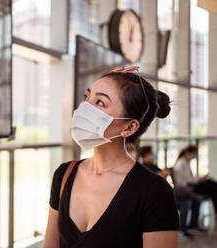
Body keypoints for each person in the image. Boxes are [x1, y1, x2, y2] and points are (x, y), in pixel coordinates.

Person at [43, 66, 179, 248]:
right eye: (87, 97)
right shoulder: (64, 174)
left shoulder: (155, 192)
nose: (85, 107)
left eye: (100, 102)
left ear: (129, 127)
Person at [173, 145, 217, 224]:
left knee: (212, 184)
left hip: (189, 185)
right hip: (186, 188)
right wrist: (200, 179)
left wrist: (200, 178)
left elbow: (190, 178)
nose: (193, 156)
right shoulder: (182, 163)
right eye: (193, 154)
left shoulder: (184, 162)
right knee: (213, 188)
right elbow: (190, 180)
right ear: (187, 153)